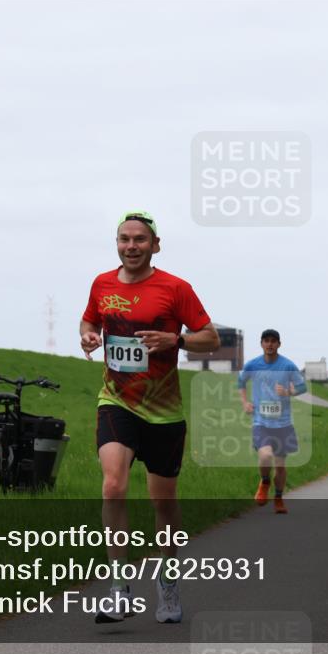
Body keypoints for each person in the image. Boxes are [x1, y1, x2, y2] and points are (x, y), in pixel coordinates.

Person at [80, 211, 219, 625]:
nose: (131, 246)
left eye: (140, 239)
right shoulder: (101, 284)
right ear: (117, 243)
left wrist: (175, 339)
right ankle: (119, 587)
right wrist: (87, 335)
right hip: (117, 401)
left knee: (164, 503)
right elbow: (90, 319)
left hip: (163, 413)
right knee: (112, 485)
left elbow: (210, 338)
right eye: (124, 239)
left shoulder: (176, 288)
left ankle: (168, 581)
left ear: (155, 245)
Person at [238, 329, 307, 515]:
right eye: (266, 341)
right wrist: (245, 402)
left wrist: (288, 392)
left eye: (273, 341)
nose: (270, 344)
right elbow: (240, 382)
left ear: (279, 344)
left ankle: (278, 497)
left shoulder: (287, 366)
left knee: (281, 467)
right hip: (261, 422)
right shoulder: (253, 365)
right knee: (265, 456)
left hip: (283, 423)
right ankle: (265, 482)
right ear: (261, 343)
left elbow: (303, 386)